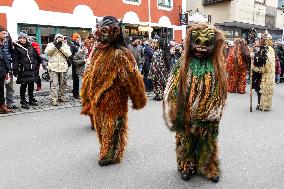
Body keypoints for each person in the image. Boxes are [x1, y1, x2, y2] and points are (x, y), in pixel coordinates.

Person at [163, 23, 227, 182]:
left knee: (208, 141)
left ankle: (209, 167)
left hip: (208, 116)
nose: (201, 47)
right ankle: (187, 165)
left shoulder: (217, 67)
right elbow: (171, 89)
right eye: (196, 42)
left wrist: (215, 111)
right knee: (186, 141)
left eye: (206, 44)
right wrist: (172, 110)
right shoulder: (182, 65)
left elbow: (221, 93)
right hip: (186, 114)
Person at [80, 16, 147, 166]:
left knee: (114, 126)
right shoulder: (98, 51)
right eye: (99, 32)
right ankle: (106, 148)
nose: (100, 37)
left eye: (105, 32)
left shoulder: (121, 54)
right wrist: (85, 96)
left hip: (114, 99)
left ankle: (112, 154)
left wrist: (138, 99)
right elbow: (89, 74)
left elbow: (133, 79)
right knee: (102, 127)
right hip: (97, 99)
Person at [13, 32, 41, 109]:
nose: (22, 40)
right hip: (23, 70)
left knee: (31, 85)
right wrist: (15, 69)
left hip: (32, 70)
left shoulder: (31, 46)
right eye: (20, 38)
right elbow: (15, 59)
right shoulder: (17, 48)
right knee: (23, 86)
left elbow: (36, 57)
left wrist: (37, 64)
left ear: (26, 39)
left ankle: (31, 99)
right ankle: (23, 100)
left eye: (23, 38)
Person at [45, 34, 72, 106]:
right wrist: (55, 46)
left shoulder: (65, 45)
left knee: (63, 83)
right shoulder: (51, 44)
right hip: (53, 67)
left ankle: (61, 97)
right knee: (54, 84)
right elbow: (47, 52)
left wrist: (61, 48)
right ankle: (54, 99)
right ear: (55, 39)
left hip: (63, 68)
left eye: (61, 38)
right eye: (58, 38)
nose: (60, 39)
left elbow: (69, 54)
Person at [252, 31, 275, 111]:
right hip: (260, 74)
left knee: (264, 90)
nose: (259, 40)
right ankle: (259, 103)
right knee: (259, 90)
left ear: (265, 40)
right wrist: (254, 56)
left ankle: (265, 105)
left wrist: (255, 58)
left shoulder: (269, 49)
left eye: (261, 39)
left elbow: (266, 61)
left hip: (266, 74)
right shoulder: (262, 48)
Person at [0, 26, 13, 113]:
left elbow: (4, 58)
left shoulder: (3, 44)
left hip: (2, 70)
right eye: (3, 33)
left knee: (1, 90)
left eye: (6, 33)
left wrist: (8, 70)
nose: (5, 35)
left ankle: (2, 106)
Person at [3, 31, 17, 109]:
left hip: (9, 67)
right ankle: (2, 104)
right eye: (4, 34)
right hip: (1, 67)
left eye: (7, 35)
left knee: (10, 86)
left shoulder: (10, 44)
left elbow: (13, 55)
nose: (6, 37)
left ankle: (10, 102)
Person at [70, 33, 81, 99]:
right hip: (75, 64)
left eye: (79, 37)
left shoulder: (78, 45)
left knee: (77, 79)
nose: (79, 38)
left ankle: (76, 92)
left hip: (79, 64)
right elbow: (71, 55)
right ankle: (75, 94)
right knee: (76, 79)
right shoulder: (72, 45)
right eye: (78, 37)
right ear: (75, 38)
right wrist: (75, 60)